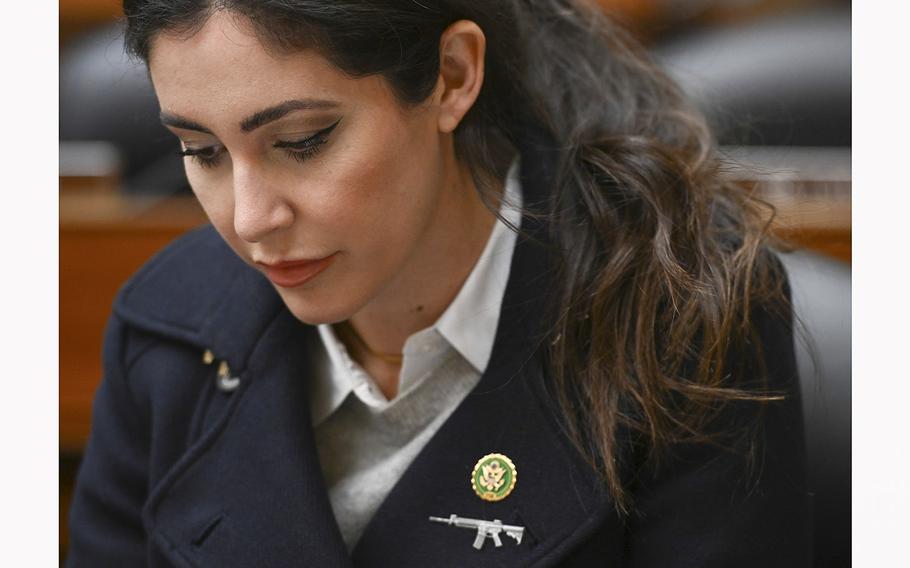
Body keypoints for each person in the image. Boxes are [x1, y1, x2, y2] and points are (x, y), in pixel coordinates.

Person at [66, 1, 811, 566]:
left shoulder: (677, 313)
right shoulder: (168, 324)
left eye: (302, 143)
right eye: (201, 151)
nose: (251, 218)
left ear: (452, 77)